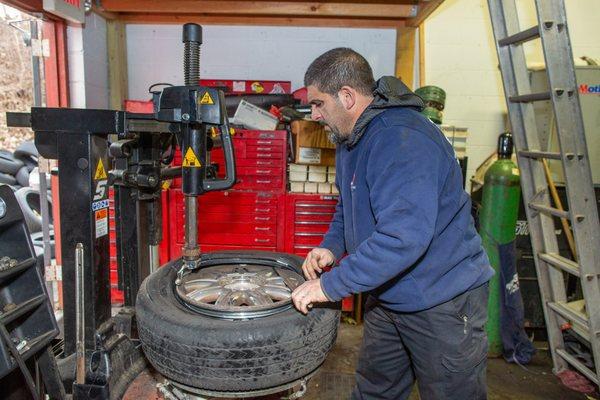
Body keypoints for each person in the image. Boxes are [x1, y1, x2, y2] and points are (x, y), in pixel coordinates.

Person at [291, 48, 494, 400]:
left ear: (347, 96)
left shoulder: (402, 140)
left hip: (441, 301)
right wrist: (331, 245)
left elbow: (402, 238)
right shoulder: (349, 139)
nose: (314, 114)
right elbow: (350, 204)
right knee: (376, 391)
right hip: (389, 297)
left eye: (319, 103)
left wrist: (330, 286)